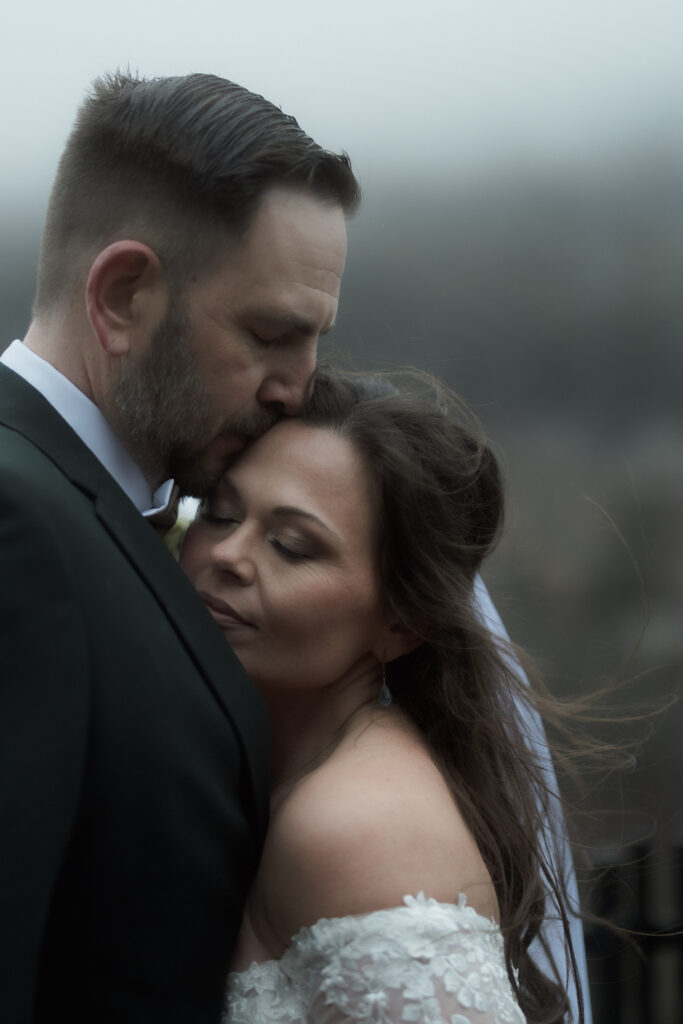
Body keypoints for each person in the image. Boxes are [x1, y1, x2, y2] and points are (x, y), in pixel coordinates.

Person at [0, 71, 358, 1023]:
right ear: (123, 296)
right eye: (270, 334)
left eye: (315, 342)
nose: (298, 388)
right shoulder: (13, 518)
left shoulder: (101, 507)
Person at [178, 367, 588, 1023]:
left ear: (403, 624)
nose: (227, 552)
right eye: (219, 513)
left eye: (292, 545)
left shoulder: (362, 829)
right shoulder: (279, 775)